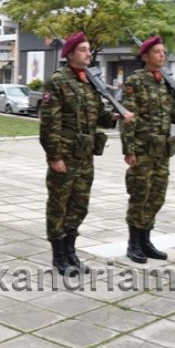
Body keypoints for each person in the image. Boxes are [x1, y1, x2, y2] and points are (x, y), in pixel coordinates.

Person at [40, 32, 133, 275]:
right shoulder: (58, 81)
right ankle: (58, 256)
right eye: (83, 49)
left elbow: (98, 116)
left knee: (79, 206)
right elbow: (50, 123)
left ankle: (71, 251)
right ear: (70, 54)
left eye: (89, 49)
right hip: (66, 156)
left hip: (85, 156)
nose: (88, 53)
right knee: (59, 205)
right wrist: (55, 157)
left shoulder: (89, 82)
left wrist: (115, 115)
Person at [121, 36, 175, 263]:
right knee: (140, 196)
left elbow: (170, 114)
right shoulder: (135, 82)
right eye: (157, 52)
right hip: (143, 149)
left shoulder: (165, 83)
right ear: (146, 56)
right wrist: (129, 149)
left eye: (164, 52)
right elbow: (127, 118)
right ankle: (134, 243)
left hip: (162, 151)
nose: (162, 55)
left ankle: (146, 240)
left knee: (157, 197)